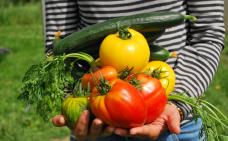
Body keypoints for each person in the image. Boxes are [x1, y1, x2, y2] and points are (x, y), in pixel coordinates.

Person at [42, 0, 225, 141]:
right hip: (95, 117)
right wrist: (74, 104)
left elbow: (208, 34)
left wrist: (178, 103)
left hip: (174, 122)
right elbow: (59, 47)